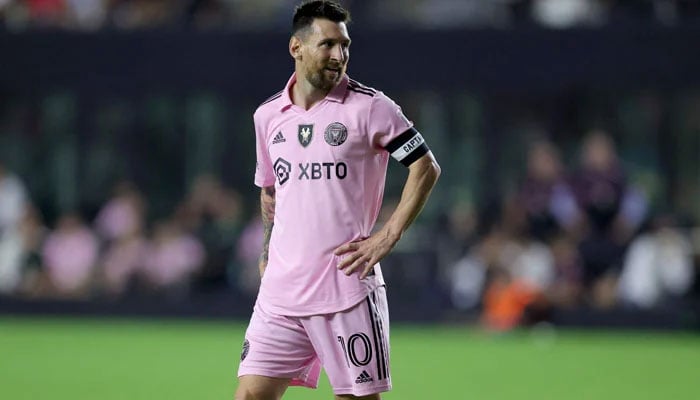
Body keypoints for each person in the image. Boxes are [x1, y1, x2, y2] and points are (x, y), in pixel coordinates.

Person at [235, 2, 441, 399]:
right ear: (296, 47)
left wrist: (387, 236)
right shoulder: (267, 116)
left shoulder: (372, 108)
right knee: (249, 395)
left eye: (344, 45)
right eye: (327, 44)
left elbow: (425, 167)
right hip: (281, 292)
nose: (339, 54)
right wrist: (266, 252)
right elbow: (270, 190)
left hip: (344, 287)